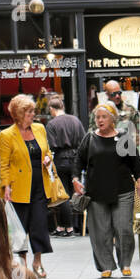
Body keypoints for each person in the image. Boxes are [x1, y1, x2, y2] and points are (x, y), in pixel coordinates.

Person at [73, 102, 140, 278]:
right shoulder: (89, 139)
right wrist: (75, 180)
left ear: (112, 119)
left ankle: (125, 263)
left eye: (104, 117)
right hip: (96, 192)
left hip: (123, 190)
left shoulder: (123, 138)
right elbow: (78, 161)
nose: (100, 120)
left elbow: (136, 162)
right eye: (97, 117)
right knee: (100, 231)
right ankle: (106, 266)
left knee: (124, 229)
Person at [0, 93, 55, 279]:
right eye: (29, 111)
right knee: (19, 229)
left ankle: (37, 262)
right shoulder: (6, 135)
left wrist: (48, 158)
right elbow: (4, 164)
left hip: (40, 184)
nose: (33, 114)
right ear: (19, 114)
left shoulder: (39, 129)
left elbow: (47, 151)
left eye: (33, 111)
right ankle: (21, 263)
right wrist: (6, 186)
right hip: (18, 188)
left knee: (39, 224)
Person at [45, 93, 86, 237]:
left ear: (51, 108)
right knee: (73, 192)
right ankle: (65, 226)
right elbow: (83, 142)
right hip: (75, 160)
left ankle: (68, 228)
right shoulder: (75, 120)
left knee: (63, 194)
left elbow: (51, 146)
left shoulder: (51, 124)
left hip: (61, 161)